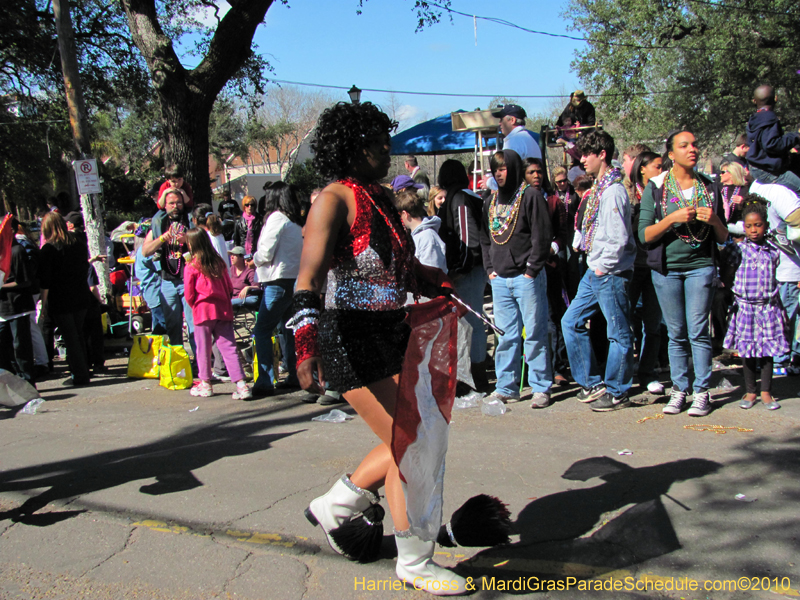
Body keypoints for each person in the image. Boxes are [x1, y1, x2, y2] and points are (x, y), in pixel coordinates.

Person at [293, 101, 466, 593]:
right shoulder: (332, 199)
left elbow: (399, 268)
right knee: (410, 443)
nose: (386, 150)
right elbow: (308, 278)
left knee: (415, 435)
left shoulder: (381, 198)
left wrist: (432, 280)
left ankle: (339, 505)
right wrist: (306, 348)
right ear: (354, 148)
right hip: (350, 337)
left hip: (392, 332)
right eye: (376, 143)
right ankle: (414, 561)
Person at [639, 130, 729, 417]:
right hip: (667, 271)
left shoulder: (709, 186)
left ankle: (702, 392)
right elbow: (644, 235)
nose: (693, 149)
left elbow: (724, 235)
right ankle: (680, 390)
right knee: (676, 333)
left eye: (694, 143)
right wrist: (671, 219)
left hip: (700, 267)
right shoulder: (657, 188)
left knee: (698, 331)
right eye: (684, 145)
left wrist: (714, 219)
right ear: (670, 154)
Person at [561, 130, 636, 412]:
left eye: (586, 154)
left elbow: (618, 238)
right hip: (595, 268)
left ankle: (618, 391)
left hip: (610, 271)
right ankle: (591, 382)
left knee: (618, 332)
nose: (582, 160)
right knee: (571, 321)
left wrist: (604, 267)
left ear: (602, 154)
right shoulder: (598, 190)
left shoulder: (614, 191)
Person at [480, 149, 553, 407]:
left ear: (513, 169)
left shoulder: (531, 197)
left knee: (533, 334)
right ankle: (506, 387)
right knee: (506, 336)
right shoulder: (490, 203)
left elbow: (541, 236)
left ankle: (541, 387)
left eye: (503, 168)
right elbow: (485, 238)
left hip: (526, 278)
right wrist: (490, 268)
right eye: (495, 169)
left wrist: (531, 269)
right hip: (500, 280)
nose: (499, 174)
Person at [723, 196, 787, 410]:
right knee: (748, 352)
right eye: (749, 226)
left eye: (758, 225)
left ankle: (767, 392)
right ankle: (750, 391)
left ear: (766, 225)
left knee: (767, 352)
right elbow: (727, 271)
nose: (753, 230)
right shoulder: (737, 249)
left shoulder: (773, 250)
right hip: (746, 308)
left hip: (768, 307)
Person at [437, 159, 490, 390]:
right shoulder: (468, 196)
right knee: (468, 323)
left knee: (471, 323)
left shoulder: (460, 199)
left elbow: (468, 240)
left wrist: (459, 270)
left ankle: (475, 377)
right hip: (469, 270)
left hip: (469, 271)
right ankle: (470, 375)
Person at [183, 228, 252, 400]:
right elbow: (229, 287)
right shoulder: (220, 263)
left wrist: (194, 306)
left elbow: (189, 294)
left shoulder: (192, 266)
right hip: (223, 308)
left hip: (202, 310)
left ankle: (205, 383)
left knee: (203, 348)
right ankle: (241, 385)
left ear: (192, 244)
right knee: (229, 347)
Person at [251, 182, 304, 398]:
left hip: (277, 280)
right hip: (293, 279)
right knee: (288, 329)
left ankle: (264, 380)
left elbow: (264, 252)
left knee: (262, 330)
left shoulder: (276, 219)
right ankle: (294, 375)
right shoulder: (294, 221)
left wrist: (253, 260)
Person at [38, 212, 94, 386]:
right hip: (81, 294)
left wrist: (43, 303)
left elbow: (45, 281)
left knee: (70, 338)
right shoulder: (77, 241)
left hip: (61, 298)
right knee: (77, 335)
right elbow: (85, 266)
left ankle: (79, 374)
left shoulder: (49, 249)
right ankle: (83, 369)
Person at [141, 188, 196, 356]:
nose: (175, 206)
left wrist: (187, 239)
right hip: (168, 281)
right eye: (171, 203)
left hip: (188, 280)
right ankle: (179, 362)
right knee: (173, 325)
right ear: (164, 206)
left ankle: (201, 365)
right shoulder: (158, 225)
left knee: (194, 326)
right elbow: (145, 252)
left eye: (179, 202)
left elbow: (204, 246)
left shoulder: (190, 222)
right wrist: (164, 238)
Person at [629, 151, 665, 394]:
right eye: (657, 166)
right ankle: (622, 373)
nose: (662, 171)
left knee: (653, 324)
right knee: (623, 322)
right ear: (642, 168)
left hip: (655, 266)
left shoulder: (665, 194)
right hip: (631, 267)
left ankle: (648, 373)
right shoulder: (628, 194)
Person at [746, 85, 800, 195]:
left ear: (754, 101)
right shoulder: (769, 118)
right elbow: (771, 144)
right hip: (767, 171)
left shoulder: (755, 118)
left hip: (757, 168)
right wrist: (796, 135)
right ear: (775, 98)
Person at [0, 232, 36, 385]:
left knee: (21, 348)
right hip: (2, 310)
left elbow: (25, 281)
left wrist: (2, 287)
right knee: (4, 351)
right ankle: (11, 384)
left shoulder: (16, 250)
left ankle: (28, 383)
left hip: (18, 308)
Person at [396, 190, 447, 274]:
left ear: (405, 214)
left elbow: (432, 274)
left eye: (399, 215)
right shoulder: (415, 235)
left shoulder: (428, 237)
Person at [133, 220, 167, 334]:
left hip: (151, 293)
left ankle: (157, 346)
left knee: (157, 324)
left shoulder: (140, 251)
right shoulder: (146, 253)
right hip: (154, 293)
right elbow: (160, 266)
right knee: (164, 324)